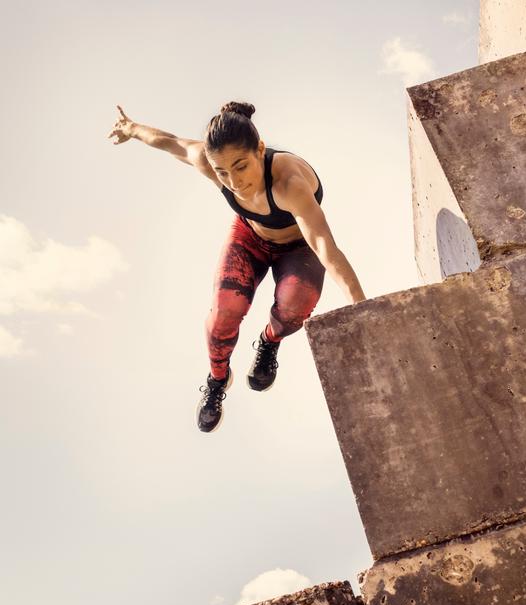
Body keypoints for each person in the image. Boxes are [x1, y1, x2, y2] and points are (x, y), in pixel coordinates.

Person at [108, 101, 366, 433]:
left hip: (298, 247)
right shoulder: (207, 160)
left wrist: (363, 309)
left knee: (294, 307)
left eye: (241, 166)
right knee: (223, 315)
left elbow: (325, 248)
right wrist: (132, 129)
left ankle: (269, 341)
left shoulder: (289, 183)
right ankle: (217, 381)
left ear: (260, 149)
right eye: (222, 172)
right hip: (250, 238)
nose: (234, 181)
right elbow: (170, 142)